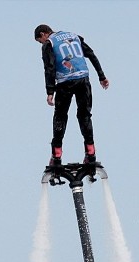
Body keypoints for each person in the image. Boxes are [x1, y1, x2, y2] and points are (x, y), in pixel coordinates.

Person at [34, 24, 110, 166]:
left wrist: (50, 91)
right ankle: (91, 152)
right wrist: (101, 76)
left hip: (65, 83)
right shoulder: (73, 37)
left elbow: (49, 68)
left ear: (44, 34)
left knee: (60, 117)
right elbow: (91, 54)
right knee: (85, 115)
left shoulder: (49, 44)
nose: (41, 44)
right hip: (83, 80)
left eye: (40, 41)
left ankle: (56, 155)